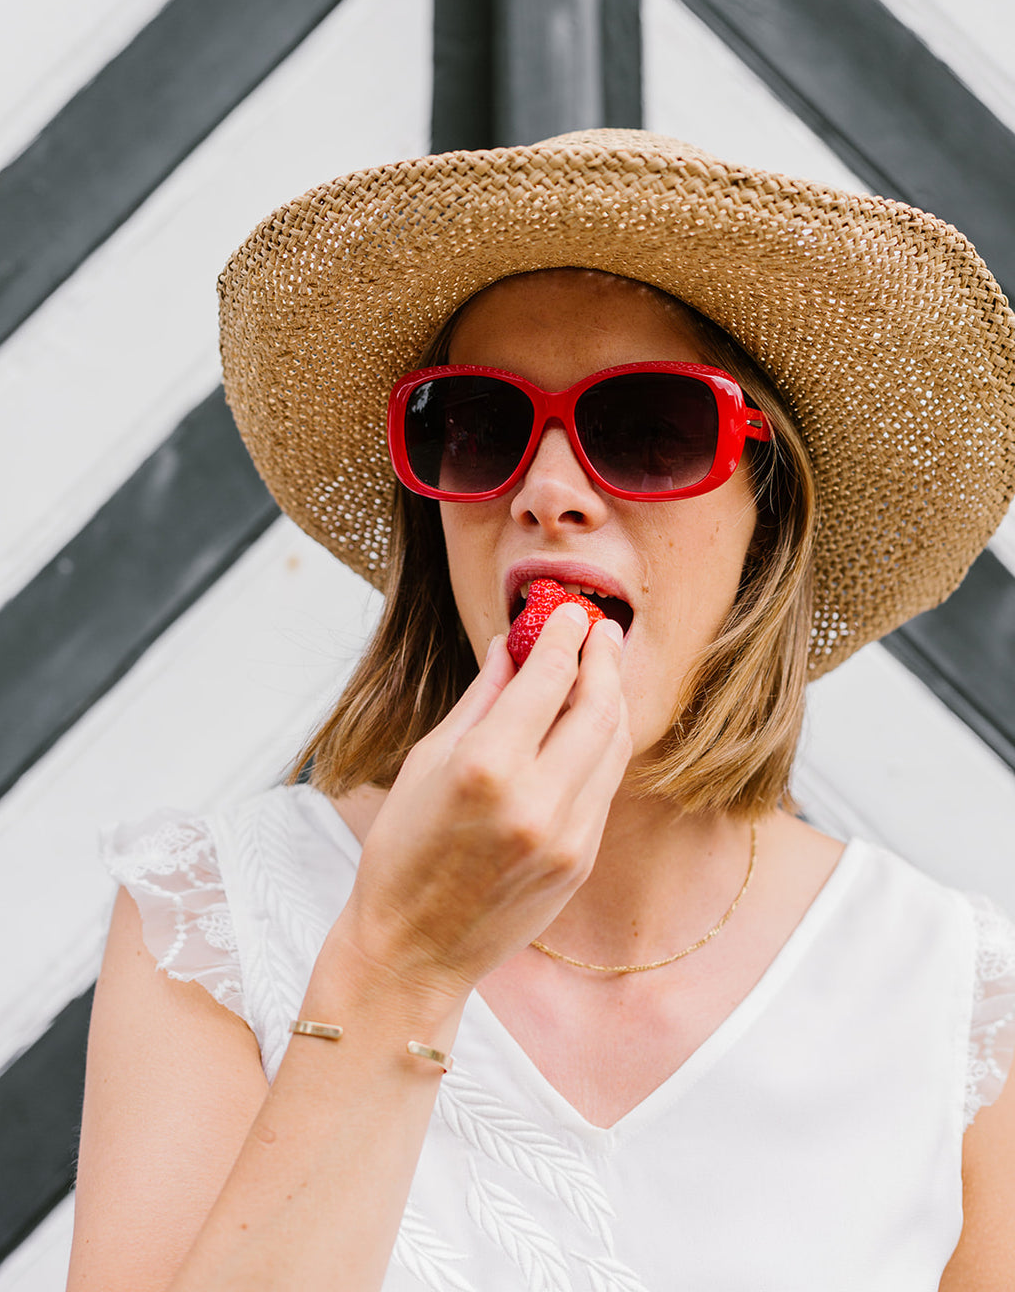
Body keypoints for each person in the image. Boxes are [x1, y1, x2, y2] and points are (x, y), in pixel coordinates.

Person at [68, 130, 1015, 1291]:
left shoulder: (948, 994)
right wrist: (401, 962)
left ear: (766, 507)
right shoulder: (212, 919)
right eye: (475, 426)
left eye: (648, 429)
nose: (549, 493)